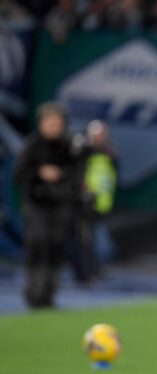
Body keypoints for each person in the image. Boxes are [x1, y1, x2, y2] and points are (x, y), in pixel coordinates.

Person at [14, 102, 78, 308]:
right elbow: (19, 174)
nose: (54, 127)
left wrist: (63, 176)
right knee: (38, 244)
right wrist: (40, 173)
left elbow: (77, 174)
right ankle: (34, 293)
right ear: (41, 123)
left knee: (56, 245)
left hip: (60, 205)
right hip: (36, 204)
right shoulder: (32, 145)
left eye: (57, 123)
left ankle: (49, 294)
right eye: (50, 122)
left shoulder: (68, 146)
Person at [72, 120, 118, 283]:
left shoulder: (109, 154)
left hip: (102, 204)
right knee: (85, 240)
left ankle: (95, 270)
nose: (100, 138)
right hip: (85, 204)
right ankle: (85, 273)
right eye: (97, 135)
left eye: (103, 135)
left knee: (98, 241)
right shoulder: (84, 153)